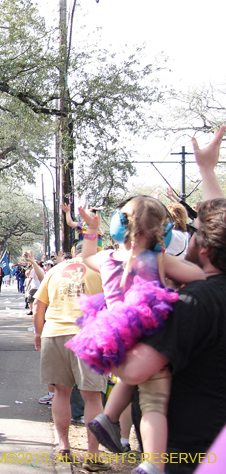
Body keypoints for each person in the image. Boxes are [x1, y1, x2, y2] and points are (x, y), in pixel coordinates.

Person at [114, 125, 226, 474]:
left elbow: (134, 369)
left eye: (193, 235)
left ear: (203, 248)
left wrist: (95, 336)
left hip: (192, 454)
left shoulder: (195, 303)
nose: (185, 239)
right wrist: (207, 170)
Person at [66, 197, 206, 474]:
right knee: (154, 400)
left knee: (130, 377)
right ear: (162, 231)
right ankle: (153, 463)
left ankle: (109, 416)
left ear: (119, 226)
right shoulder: (158, 259)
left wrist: (91, 230)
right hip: (147, 334)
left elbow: (86, 256)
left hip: (111, 334)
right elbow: (199, 277)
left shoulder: (106, 258)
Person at [33, 243, 108, 471]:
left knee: (60, 393)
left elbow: (38, 305)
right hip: (89, 334)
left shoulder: (55, 270)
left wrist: (38, 333)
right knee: (93, 398)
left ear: (73, 253)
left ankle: (64, 448)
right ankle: (92, 457)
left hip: (55, 333)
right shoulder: (101, 269)